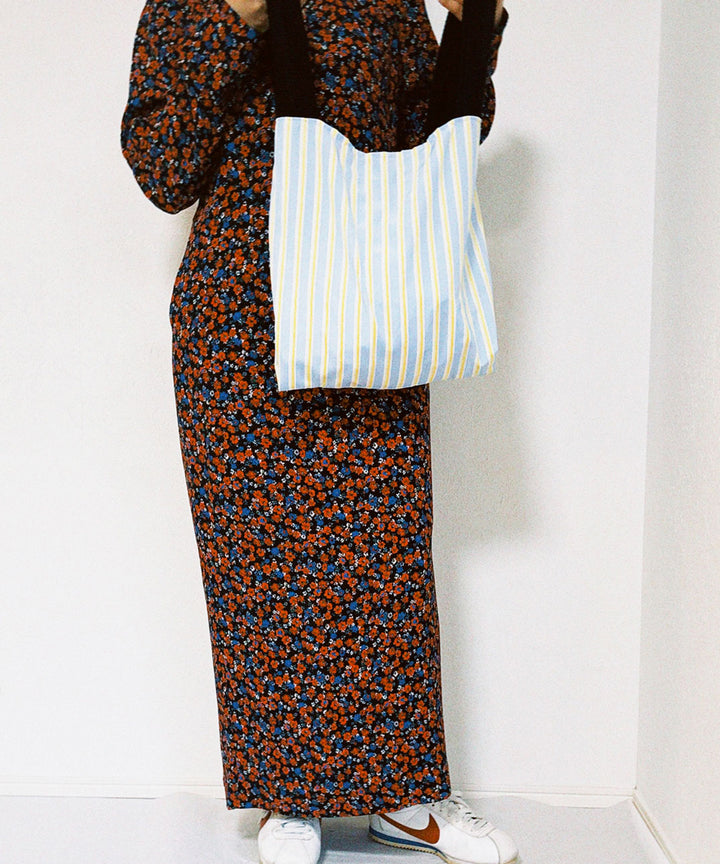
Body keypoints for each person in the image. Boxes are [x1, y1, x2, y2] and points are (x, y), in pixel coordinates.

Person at [120, 1, 516, 862]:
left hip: (367, 299)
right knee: (259, 562)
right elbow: (161, 167)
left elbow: (441, 139)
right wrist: (235, 19)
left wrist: (471, 26)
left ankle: (403, 796)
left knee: (387, 556)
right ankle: (285, 796)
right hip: (243, 318)